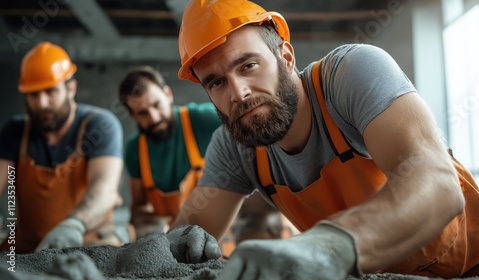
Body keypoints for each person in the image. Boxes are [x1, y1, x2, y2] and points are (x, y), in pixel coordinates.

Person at [166, 0, 479, 279]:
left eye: (249, 65)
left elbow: (439, 187)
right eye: (216, 83)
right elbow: (179, 244)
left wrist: (330, 244)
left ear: (285, 56)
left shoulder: (349, 75)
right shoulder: (234, 145)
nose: (239, 93)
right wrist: (185, 239)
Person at [118, 66, 286, 252]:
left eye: (157, 105)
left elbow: (263, 143)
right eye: (143, 113)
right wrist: (152, 234)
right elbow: (139, 206)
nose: (154, 117)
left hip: (232, 231)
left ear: (168, 94)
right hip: (182, 238)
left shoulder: (205, 119)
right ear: (132, 115)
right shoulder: (135, 150)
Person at [0, 41, 128, 253]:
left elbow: (105, 190)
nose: (41, 103)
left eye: (50, 92)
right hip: (27, 250)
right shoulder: (15, 132)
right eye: (33, 94)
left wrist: (74, 225)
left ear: (71, 88)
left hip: (87, 245)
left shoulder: (100, 125)